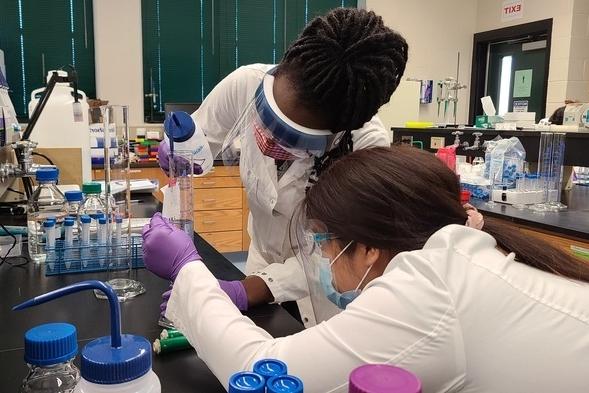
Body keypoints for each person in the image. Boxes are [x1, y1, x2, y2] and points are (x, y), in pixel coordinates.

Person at [143, 146, 589, 392]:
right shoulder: (459, 256)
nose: (318, 258)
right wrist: (246, 289)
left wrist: (189, 268)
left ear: (370, 250)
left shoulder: (428, 291)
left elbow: (264, 372)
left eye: (321, 242)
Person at [158, 8, 409, 325]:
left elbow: (341, 255)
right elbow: (198, 138)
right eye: (267, 114)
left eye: (291, 136)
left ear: (334, 133)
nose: (269, 135)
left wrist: (248, 291)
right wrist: (179, 149)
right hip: (260, 259)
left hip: (323, 288)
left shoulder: (366, 147)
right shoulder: (245, 83)